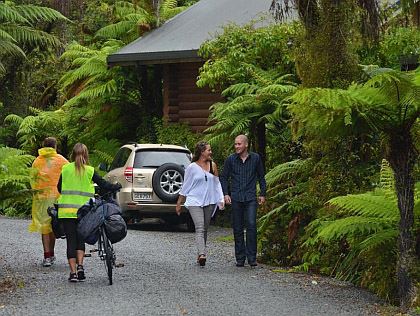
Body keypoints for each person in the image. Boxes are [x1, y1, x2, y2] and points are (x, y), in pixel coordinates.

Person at [57, 143, 121, 282]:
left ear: (72, 155)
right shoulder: (90, 170)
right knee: (81, 239)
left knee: (71, 241)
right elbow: (104, 185)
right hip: (85, 211)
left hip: (66, 212)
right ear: (86, 155)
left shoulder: (66, 169)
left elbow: (59, 188)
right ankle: (80, 267)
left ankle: (73, 273)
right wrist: (115, 187)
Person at [220, 135, 266, 267]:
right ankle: (240, 258)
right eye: (235, 144)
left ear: (246, 145)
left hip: (251, 197)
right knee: (238, 227)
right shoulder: (230, 160)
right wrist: (225, 194)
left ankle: (252, 258)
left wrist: (263, 193)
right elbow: (224, 177)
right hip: (236, 198)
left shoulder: (256, 158)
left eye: (239, 144)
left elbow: (261, 177)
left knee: (251, 225)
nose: (236, 146)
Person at [176, 141, 224, 266]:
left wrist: (221, 199)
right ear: (202, 152)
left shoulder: (213, 165)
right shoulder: (192, 167)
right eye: (209, 150)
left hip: (210, 201)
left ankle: (200, 252)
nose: (211, 152)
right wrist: (179, 202)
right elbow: (186, 186)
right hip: (194, 200)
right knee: (200, 227)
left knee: (205, 229)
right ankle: (202, 254)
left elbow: (217, 183)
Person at [29, 137, 69, 267]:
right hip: (58, 197)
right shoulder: (62, 160)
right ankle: (51, 253)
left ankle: (47, 256)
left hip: (42, 199)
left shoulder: (37, 161)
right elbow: (69, 176)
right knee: (54, 225)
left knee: (44, 227)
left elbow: (32, 179)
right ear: (55, 147)